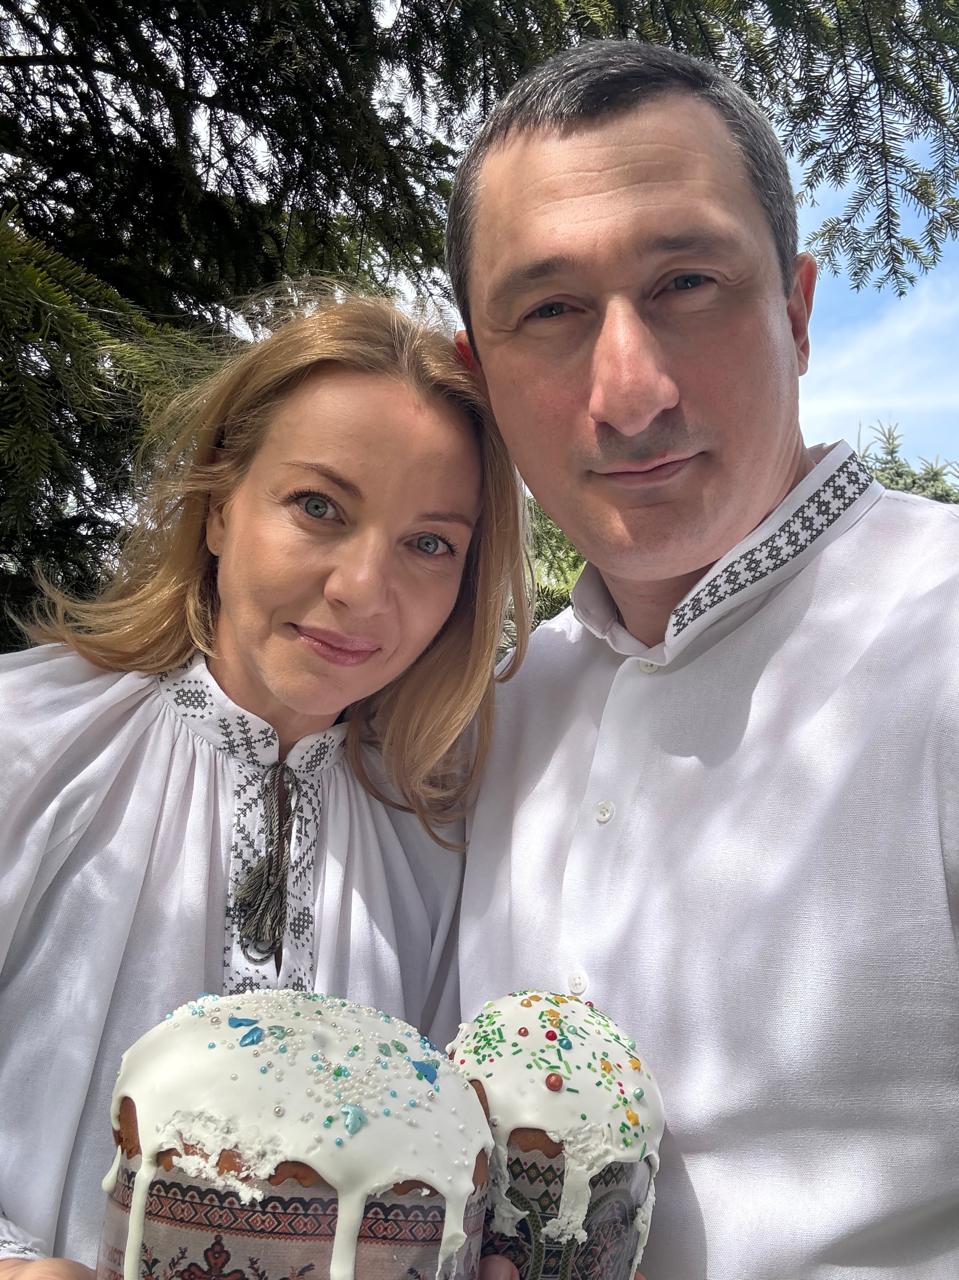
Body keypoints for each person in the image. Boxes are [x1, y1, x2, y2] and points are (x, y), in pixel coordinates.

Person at [448, 41, 959, 1280]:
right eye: (550, 310)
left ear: (795, 310)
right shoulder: (482, 716)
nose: (629, 393)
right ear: (477, 376)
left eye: (685, 281)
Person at [0, 296, 530, 1278]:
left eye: (429, 543)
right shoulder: (28, 746)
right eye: (319, 507)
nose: (362, 589)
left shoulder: (436, 838)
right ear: (218, 507)